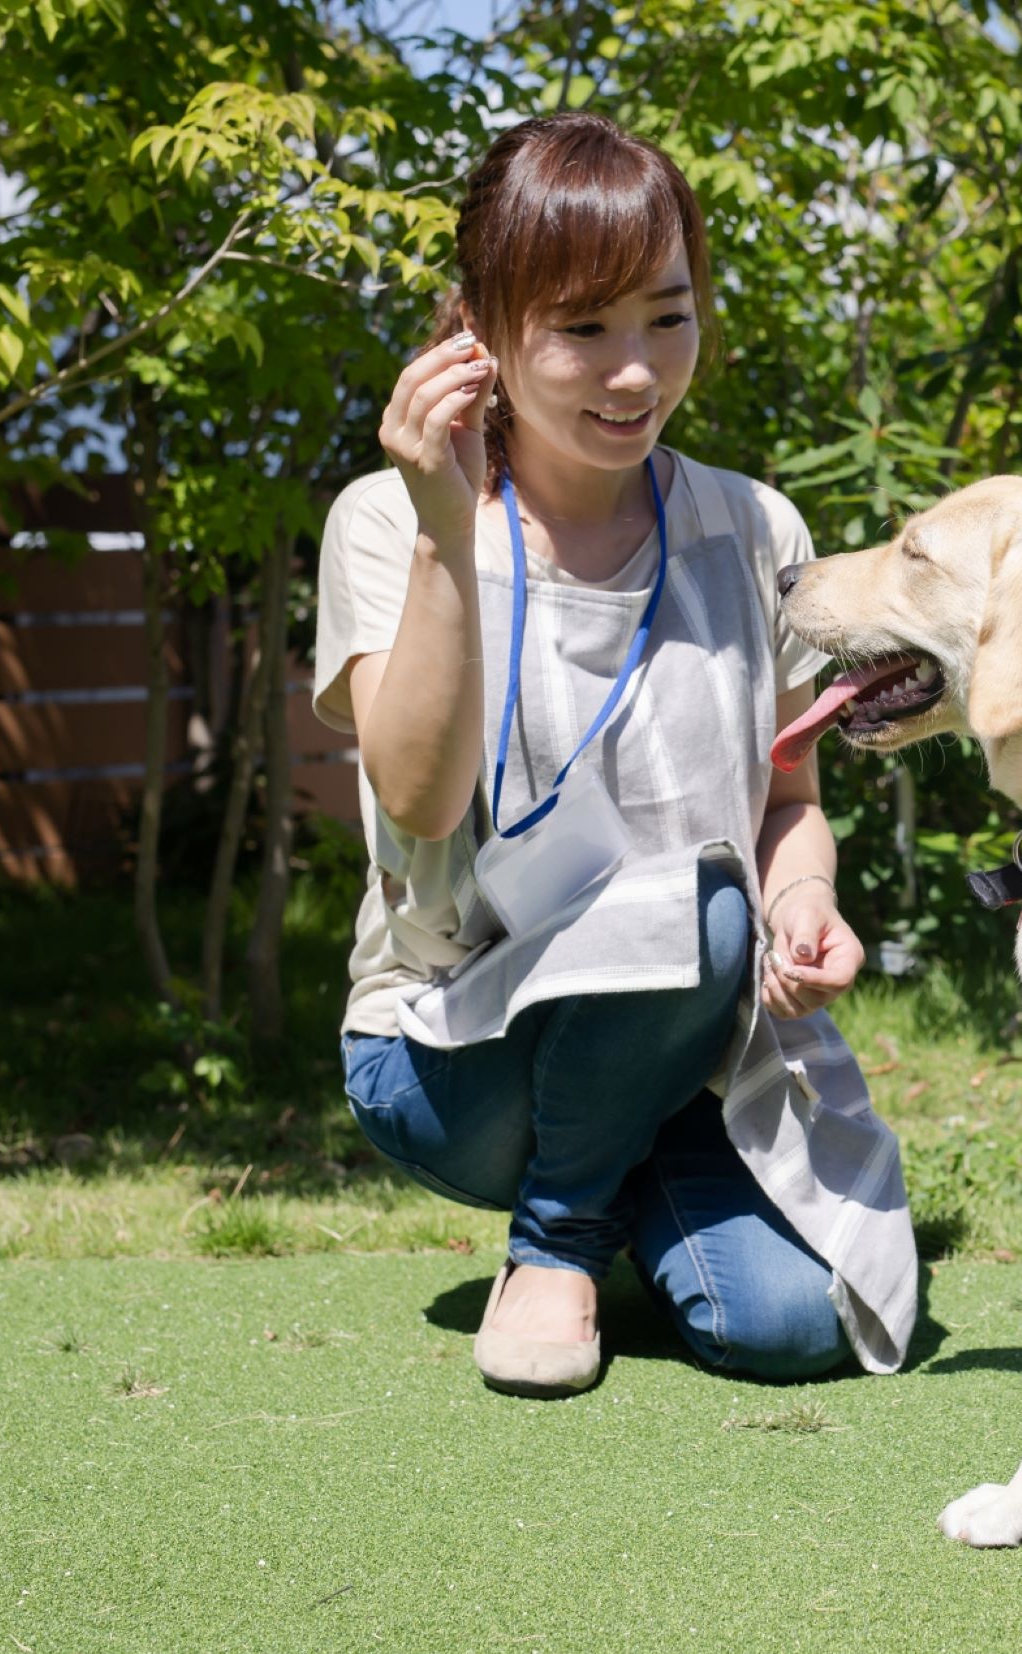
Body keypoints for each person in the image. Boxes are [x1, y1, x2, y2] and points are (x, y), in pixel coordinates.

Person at [310, 114, 916, 1397]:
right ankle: (559, 1238)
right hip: (450, 1053)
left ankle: (610, 1164)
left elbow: (788, 792)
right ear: (478, 326)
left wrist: (803, 897)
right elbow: (414, 796)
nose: (634, 373)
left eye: (668, 317)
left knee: (793, 1326)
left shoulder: (750, 527)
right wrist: (439, 525)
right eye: (584, 328)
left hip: (681, 1037)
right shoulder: (386, 517)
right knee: (700, 905)